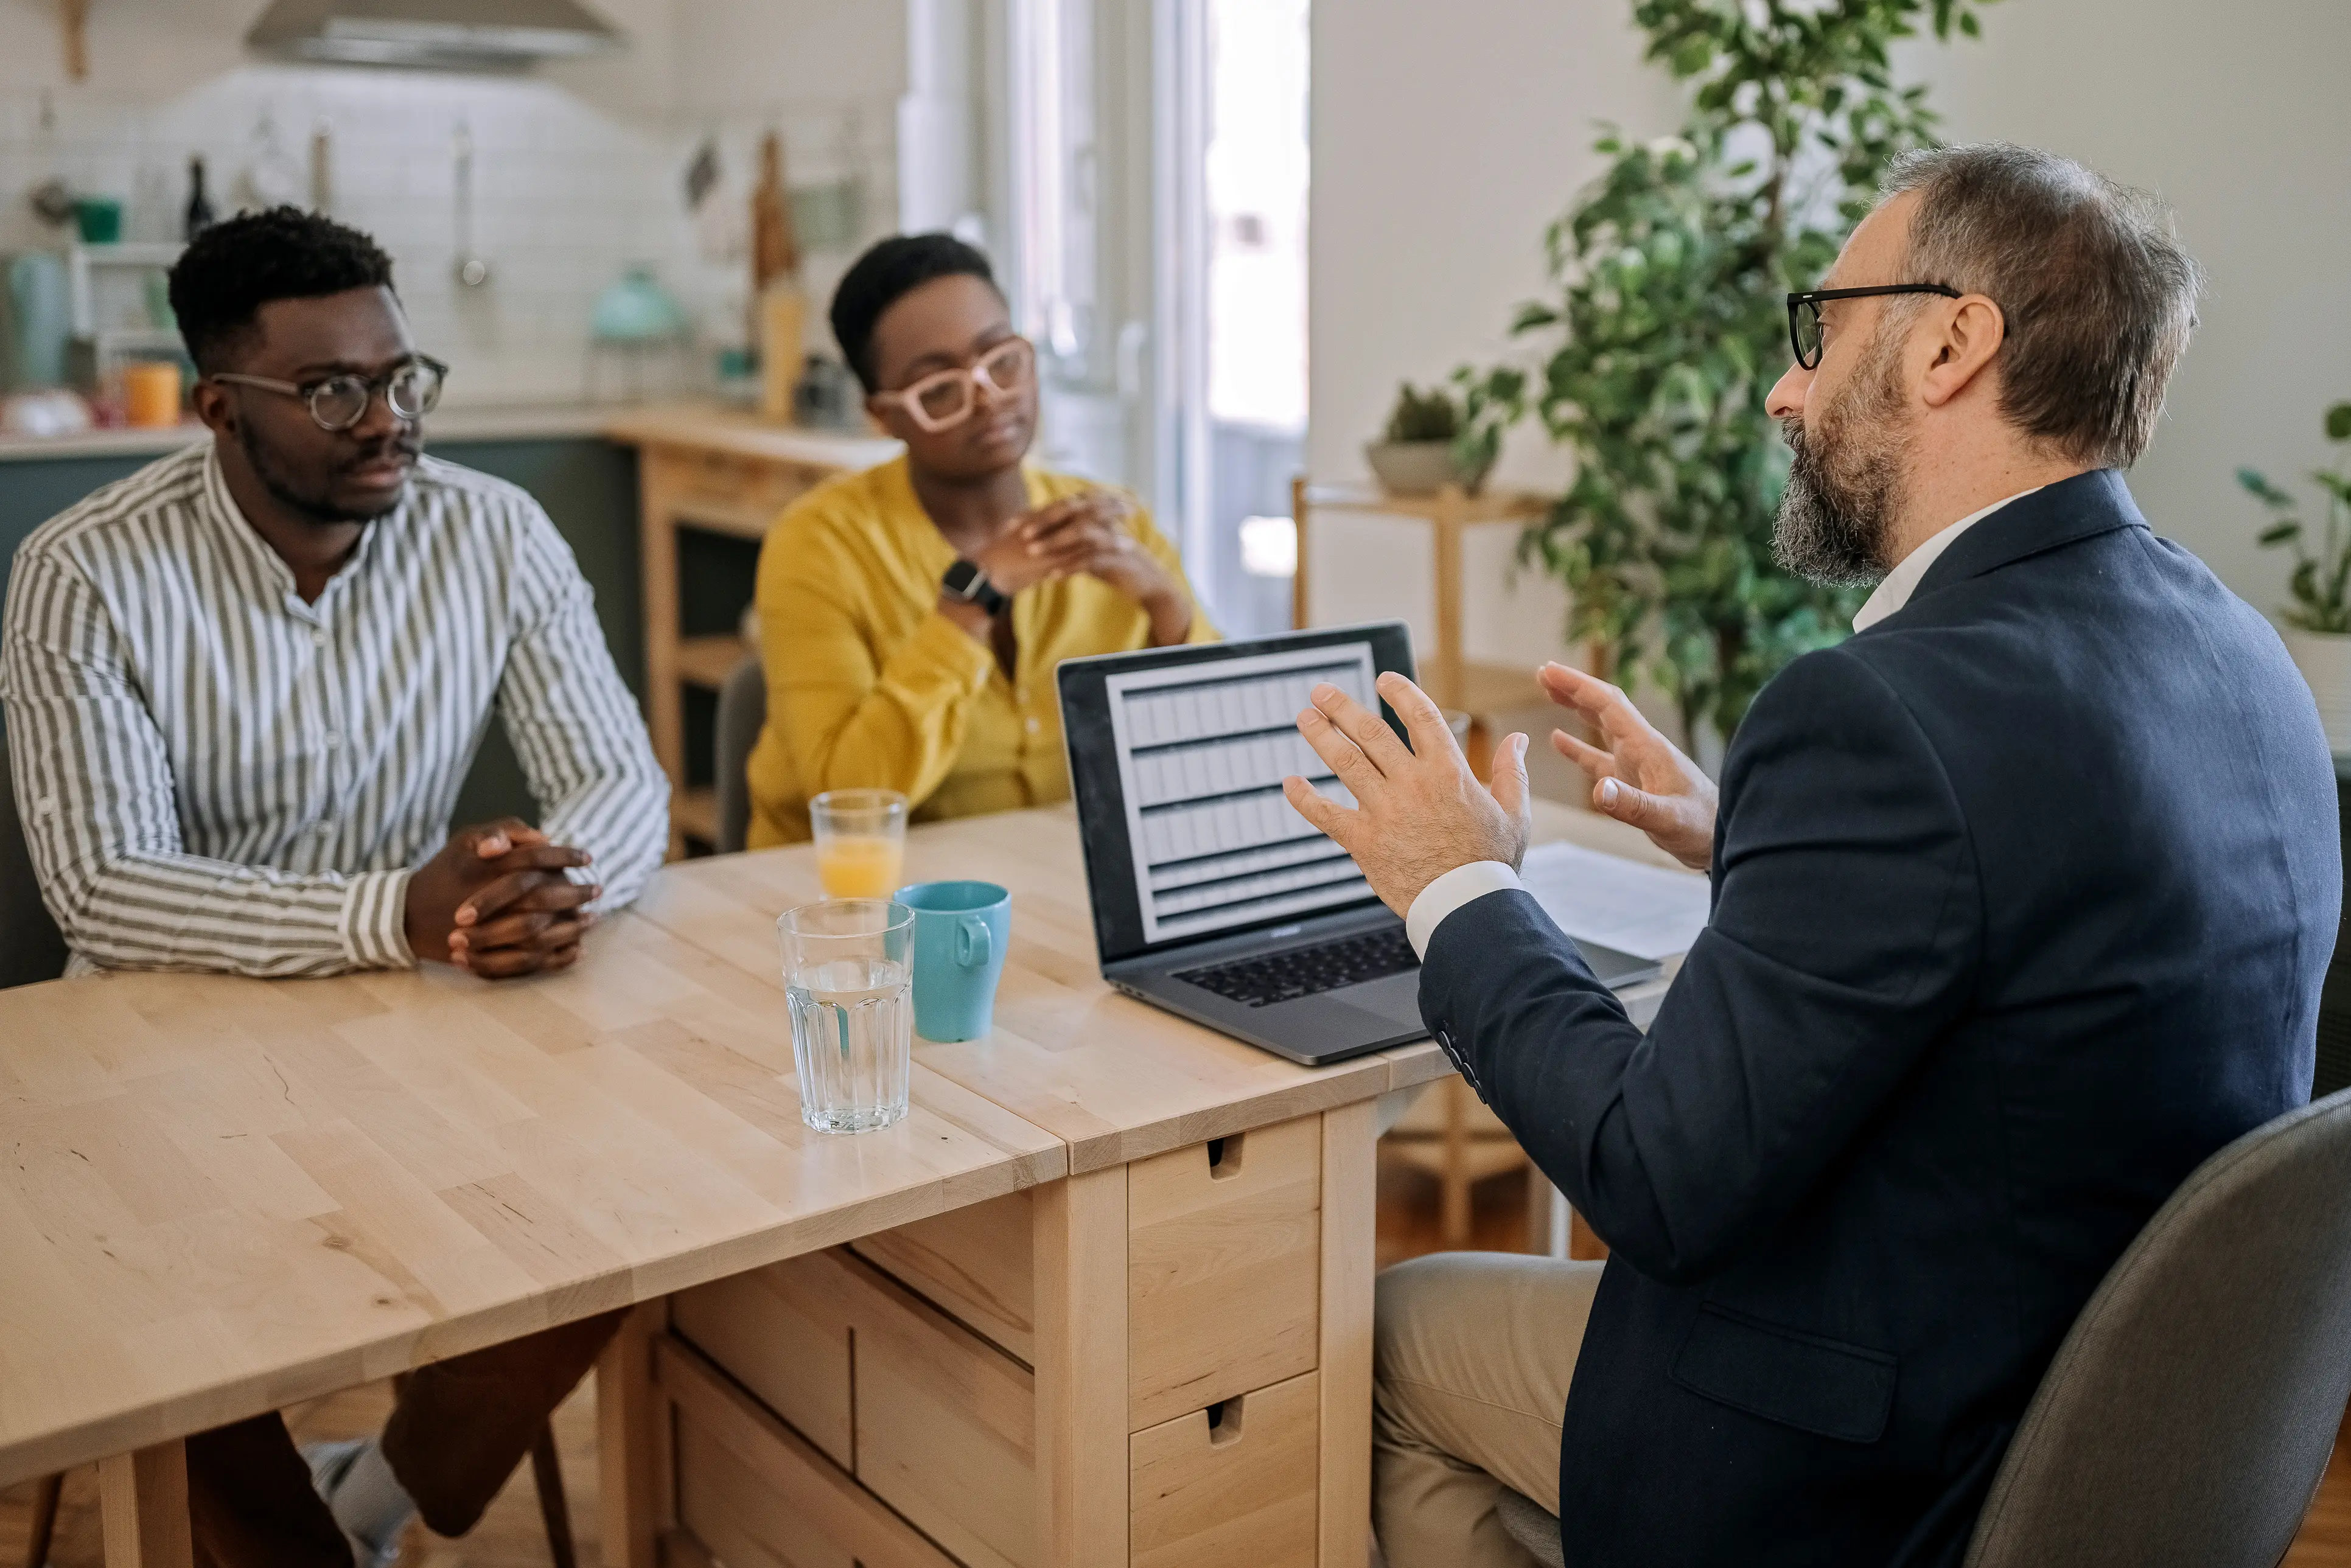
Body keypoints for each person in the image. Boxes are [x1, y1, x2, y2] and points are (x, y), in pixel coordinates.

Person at [1280, 145, 2339, 1567]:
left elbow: (1654, 1180)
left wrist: (1452, 879)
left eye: (1820, 328)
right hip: (2096, 1427)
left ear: (1951, 341)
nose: (1785, 388)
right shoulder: (2233, 651)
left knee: (1393, 1336)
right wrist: (1747, 841)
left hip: (1872, 1469)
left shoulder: (1881, 714)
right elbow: (2056, 913)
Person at [0, 208, 667, 1563]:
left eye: (402, 377)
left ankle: (368, 1504)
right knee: (147, 1336)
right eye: (332, 391)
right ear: (218, 409)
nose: (386, 422)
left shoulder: (498, 533)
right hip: (153, 1063)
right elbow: (103, 889)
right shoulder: (81, 572)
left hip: (422, 1022)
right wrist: (391, 913)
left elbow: (621, 778)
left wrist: (550, 882)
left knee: (649, 1202)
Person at [743, 232, 1214, 848]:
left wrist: (1166, 608)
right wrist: (967, 608)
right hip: (866, 908)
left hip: (1059, 887)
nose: (989, 398)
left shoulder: (1118, 527)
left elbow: (1213, 764)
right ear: (883, 415)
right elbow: (849, 801)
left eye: (1003, 360)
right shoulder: (818, 545)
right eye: (939, 389)